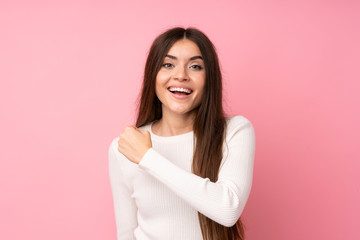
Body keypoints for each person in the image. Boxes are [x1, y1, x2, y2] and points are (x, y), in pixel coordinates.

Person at [108, 27, 255, 240]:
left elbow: (228, 209)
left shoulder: (235, 131)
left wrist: (148, 158)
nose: (180, 75)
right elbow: (126, 233)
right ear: (153, 75)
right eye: (168, 64)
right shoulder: (125, 147)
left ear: (209, 79)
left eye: (195, 66)